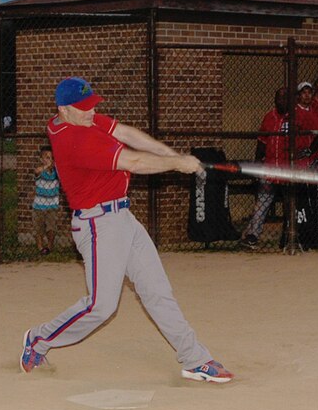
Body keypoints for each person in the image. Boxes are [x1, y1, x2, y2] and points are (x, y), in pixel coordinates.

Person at [20, 77, 233, 384]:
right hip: (97, 225)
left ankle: (195, 359)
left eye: (92, 105)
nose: (91, 113)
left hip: (122, 218)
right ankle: (37, 341)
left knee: (158, 291)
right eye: (83, 109)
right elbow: (132, 160)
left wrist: (173, 156)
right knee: (101, 306)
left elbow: (126, 133)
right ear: (63, 110)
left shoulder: (77, 121)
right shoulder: (74, 140)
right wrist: (176, 165)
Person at [240, 86, 318, 249]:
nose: (282, 101)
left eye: (285, 98)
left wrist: (309, 151)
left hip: (290, 170)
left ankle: (291, 235)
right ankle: (252, 236)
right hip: (271, 168)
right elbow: (261, 142)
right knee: (262, 201)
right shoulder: (269, 117)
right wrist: (257, 164)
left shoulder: (300, 115)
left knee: (290, 203)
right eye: (279, 98)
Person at [31, 145, 61, 255]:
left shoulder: (56, 173)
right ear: (41, 159)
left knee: (51, 227)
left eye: (52, 158)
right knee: (38, 228)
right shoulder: (39, 171)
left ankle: (50, 245)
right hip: (39, 205)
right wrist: (46, 166)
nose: (50, 160)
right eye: (47, 158)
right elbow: (37, 171)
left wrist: (54, 166)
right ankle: (40, 247)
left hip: (52, 205)